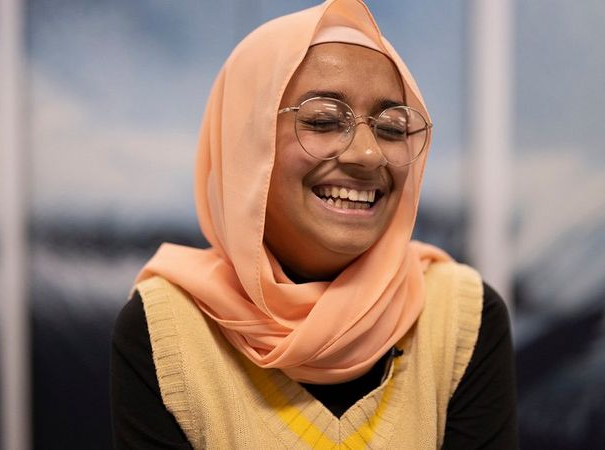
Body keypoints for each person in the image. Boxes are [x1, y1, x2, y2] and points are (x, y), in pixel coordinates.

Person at [110, 0, 517, 448]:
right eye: (324, 120)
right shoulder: (170, 326)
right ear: (247, 144)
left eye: (393, 128)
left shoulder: (457, 315)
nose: (367, 154)